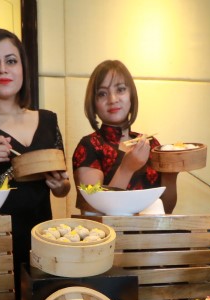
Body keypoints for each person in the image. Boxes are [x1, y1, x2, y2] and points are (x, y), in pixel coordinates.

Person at [0, 28, 70, 286]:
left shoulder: (48, 120)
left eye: (11, 61)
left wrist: (60, 185)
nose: (2, 69)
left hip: (43, 243)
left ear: (23, 68)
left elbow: (63, 187)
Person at [72, 60, 178, 213]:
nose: (113, 99)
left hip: (152, 229)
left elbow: (165, 210)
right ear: (93, 103)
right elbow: (94, 212)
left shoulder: (152, 144)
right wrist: (126, 169)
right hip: (110, 230)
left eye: (120, 89)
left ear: (131, 96)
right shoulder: (89, 146)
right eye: (102, 93)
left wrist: (171, 174)